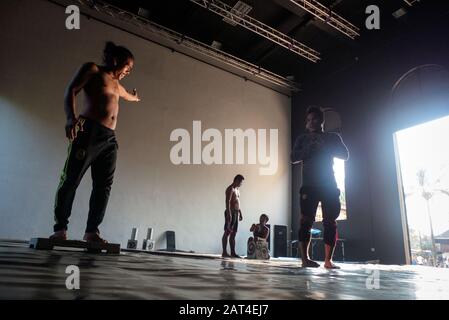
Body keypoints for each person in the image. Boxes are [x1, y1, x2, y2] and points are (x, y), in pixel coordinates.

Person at [50, 41, 140, 243]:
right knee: (71, 179)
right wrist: (70, 118)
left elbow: (127, 96)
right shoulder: (93, 70)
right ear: (116, 60)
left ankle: (92, 231)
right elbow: (71, 90)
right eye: (128, 66)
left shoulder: (118, 85)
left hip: (109, 139)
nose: (128, 71)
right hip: (88, 131)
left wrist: (134, 97)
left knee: (103, 186)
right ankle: (60, 229)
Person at [291, 106, 349, 269]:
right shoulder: (302, 139)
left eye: (314, 119)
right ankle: (305, 260)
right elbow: (293, 157)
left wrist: (324, 146)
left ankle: (328, 261)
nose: (310, 123)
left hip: (329, 184)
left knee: (330, 222)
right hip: (309, 185)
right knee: (305, 222)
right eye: (308, 120)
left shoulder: (332, 137)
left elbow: (345, 155)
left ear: (321, 120)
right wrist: (310, 148)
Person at [222, 174, 244, 258]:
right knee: (227, 232)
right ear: (236, 180)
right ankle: (224, 252)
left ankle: (233, 252)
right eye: (240, 182)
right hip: (230, 212)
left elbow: (237, 202)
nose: (241, 184)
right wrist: (229, 213)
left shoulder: (237, 190)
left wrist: (240, 213)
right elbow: (227, 202)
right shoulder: (230, 189)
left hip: (236, 213)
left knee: (234, 233)